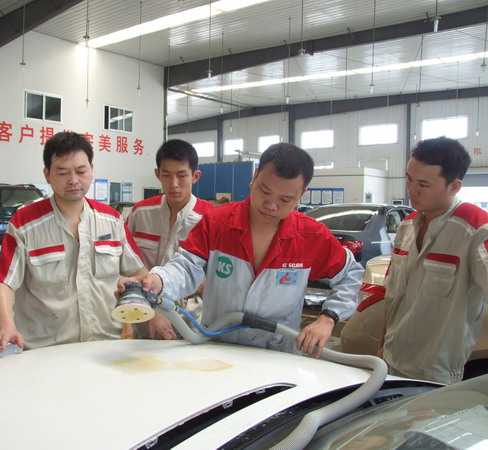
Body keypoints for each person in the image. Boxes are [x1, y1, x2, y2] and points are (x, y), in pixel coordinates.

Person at [119, 143, 363, 356]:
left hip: (278, 355)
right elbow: (186, 267)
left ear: (302, 194)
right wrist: (158, 280)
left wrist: (328, 318)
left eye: (285, 199)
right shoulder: (218, 223)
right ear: (254, 177)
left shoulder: (310, 236)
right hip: (218, 349)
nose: (271, 205)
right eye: (264, 191)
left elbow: (351, 275)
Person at [0, 132, 146, 352]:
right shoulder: (25, 223)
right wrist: (6, 325)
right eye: (62, 172)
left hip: (107, 346)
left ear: (91, 170)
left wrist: (132, 292)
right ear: (47, 174)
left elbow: (140, 273)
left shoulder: (112, 220)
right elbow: (4, 282)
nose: (73, 180)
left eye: (81, 171)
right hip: (46, 352)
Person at [381, 137, 488, 384]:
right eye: (408, 179)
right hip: (391, 359)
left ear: (454, 186)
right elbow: (393, 297)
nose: (412, 190)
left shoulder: (475, 230)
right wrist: (382, 344)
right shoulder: (407, 226)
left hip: (435, 374)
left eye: (423, 184)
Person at [126, 139, 212, 339]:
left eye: (181, 175)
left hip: (191, 322)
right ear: (157, 174)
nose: (173, 184)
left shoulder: (210, 219)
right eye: (166, 175)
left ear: (195, 176)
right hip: (143, 316)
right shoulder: (140, 213)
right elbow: (126, 264)